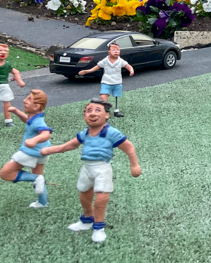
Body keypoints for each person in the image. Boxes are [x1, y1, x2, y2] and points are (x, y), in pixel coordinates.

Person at [40, 99, 141, 243]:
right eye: (89, 111)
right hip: (86, 167)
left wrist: (134, 165)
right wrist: (52, 149)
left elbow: (129, 148)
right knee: (84, 195)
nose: (92, 114)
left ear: (107, 115)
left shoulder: (111, 132)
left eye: (97, 110)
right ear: (84, 116)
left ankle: (99, 227)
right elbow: (71, 145)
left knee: (101, 198)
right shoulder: (85, 133)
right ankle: (87, 219)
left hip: (102, 168)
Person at [0, 89, 52, 208]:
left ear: (37, 106)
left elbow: (46, 133)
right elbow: (28, 122)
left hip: (31, 152)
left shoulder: (39, 121)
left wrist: (34, 140)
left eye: (29, 99)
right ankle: (43, 202)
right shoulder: (34, 117)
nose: (24, 101)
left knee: (5, 173)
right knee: (40, 180)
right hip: (42, 152)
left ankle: (37, 178)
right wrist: (17, 112)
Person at [77, 42, 135, 117]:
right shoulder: (105, 60)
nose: (116, 52)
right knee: (103, 97)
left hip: (117, 82)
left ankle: (116, 110)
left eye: (118, 50)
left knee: (117, 97)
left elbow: (128, 66)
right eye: (114, 50)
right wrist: (87, 71)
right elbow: (97, 67)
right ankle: (105, 110)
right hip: (106, 82)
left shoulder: (121, 61)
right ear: (109, 52)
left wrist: (131, 70)